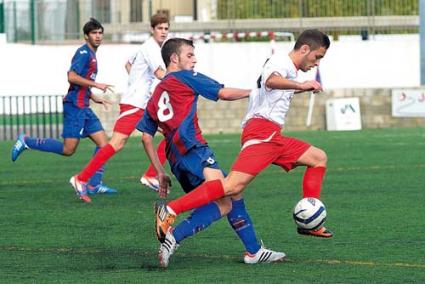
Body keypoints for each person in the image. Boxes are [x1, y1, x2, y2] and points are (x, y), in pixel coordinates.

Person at [153, 29, 333, 252]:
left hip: (272, 135)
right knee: (231, 186)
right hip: (262, 133)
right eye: (317, 57)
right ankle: (170, 209)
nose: (317, 63)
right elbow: (271, 80)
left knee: (318, 158)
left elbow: (271, 89)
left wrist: (297, 88)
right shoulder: (281, 63)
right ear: (305, 49)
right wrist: (302, 85)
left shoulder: (288, 68)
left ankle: (309, 215)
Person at [137, 38, 285, 268]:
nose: (194, 59)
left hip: (175, 158)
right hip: (194, 148)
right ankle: (172, 229)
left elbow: (146, 137)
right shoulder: (185, 76)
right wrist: (256, 92)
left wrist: (159, 171)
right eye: (189, 55)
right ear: (174, 58)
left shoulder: (156, 93)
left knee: (230, 196)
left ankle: (254, 250)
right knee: (226, 198)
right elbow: (223, 93)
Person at [11, 18, 116, 203]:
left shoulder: (92, 54)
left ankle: (94, 184)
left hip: (84, 105)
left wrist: (93, 96)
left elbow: (81, 82)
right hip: (75, 106)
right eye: (94, 33)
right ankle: (26, 141)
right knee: (68, 150)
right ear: (86, 36)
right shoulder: (83, 53)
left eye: (100, 33)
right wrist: (96, 84)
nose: (98, 36)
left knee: (103, 145)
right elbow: (72, 76)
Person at [70, 13, 170, 197]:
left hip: (142, 103)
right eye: (160, 28)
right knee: (116, 144)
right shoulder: (152, 48)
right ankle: (82, 178)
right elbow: (159, 73)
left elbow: (128, 64)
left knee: (172, 133)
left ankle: (151, 175)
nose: (163, 32)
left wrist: (136, 82)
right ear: (152, 29)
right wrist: (183, 79)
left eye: (166, 28)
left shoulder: (147, 47)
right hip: (134, 104)